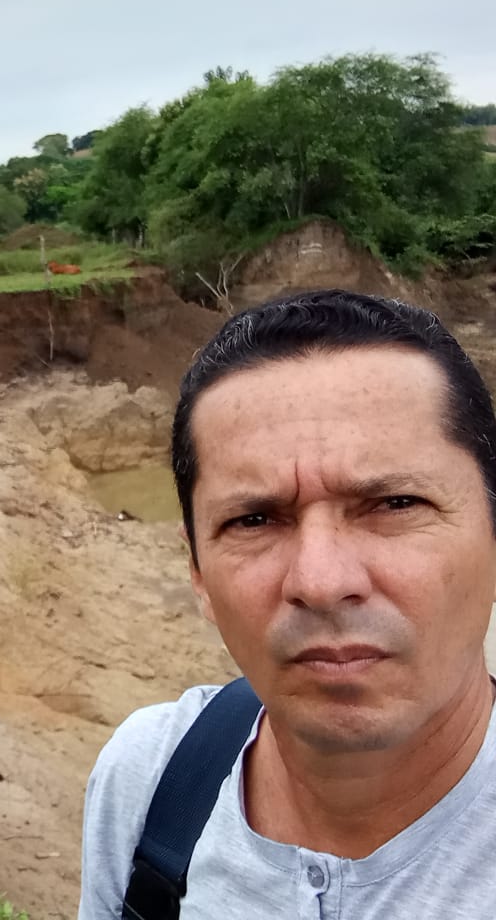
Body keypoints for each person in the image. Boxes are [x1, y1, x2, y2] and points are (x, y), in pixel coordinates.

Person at [77, 288, 496, 918]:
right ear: (197, 570)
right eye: (253, 520)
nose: (321, 581)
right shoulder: (149, 781)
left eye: (395, 504)